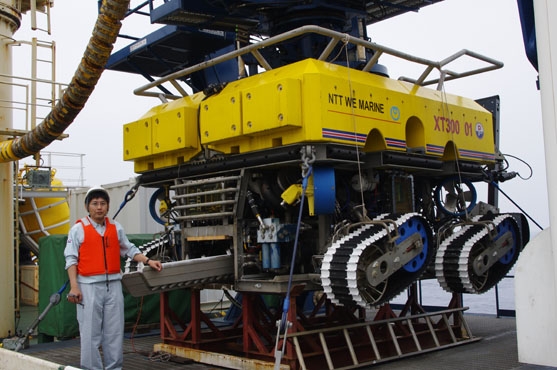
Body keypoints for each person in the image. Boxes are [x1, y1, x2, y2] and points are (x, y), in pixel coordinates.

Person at [64, 185, 163, 370]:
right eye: (95, 204)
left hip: (113, 286)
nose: (99, 207)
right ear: (87, 207)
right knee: (90, 333)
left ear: (108, 207)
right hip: (89, 286)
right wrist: (74, 286)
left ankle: (114, 368)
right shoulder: (78, 229)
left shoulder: (115, 228)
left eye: (103, 203)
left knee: (114, 333)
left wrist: (148, 260)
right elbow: (70, 259)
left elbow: (129, 249)